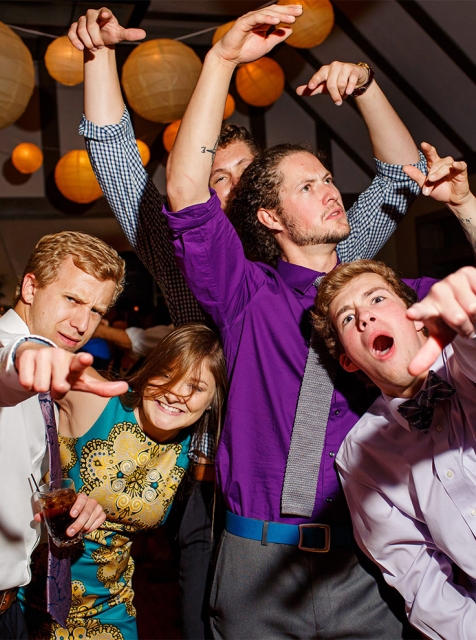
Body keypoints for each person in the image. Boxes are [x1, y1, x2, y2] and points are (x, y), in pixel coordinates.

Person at [162, 4, 436, 638]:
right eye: (307, 187)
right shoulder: (246, 295)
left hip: (371, 559)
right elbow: (186, 193)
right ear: (270, 218)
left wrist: (367, 88)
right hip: (258, 564)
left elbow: (406, 178)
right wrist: (222, 59)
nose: (330, 190)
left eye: (328, 179)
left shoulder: (386, 298)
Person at [68, 9, 259, 638]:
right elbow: (116, 159)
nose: (231, 189)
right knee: (199, 619)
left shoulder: (307, 258)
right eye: (215, 177)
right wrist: (99, 55)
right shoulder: (180, 252)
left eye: (245, 175)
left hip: (293, 483)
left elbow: (390, 190)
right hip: (200, 480)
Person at [311, 149, 476, 640]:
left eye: (378, 299)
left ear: (415, 316)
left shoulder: (466, 364)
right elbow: (421, 583)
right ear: (349, 359)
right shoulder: (361, 454)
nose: (364, 316)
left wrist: (465, 206)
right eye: (348, 318)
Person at [19, 322, 227, 640]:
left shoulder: (193, 450)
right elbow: (24, 351)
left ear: (212, 400)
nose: (176, 393)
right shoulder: (100, 400)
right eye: (166, 374)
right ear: (150, 370)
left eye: (196, 388)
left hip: (110, 610)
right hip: (29, 600)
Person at [0, 231, 127, 639]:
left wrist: (70, 504)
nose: (82, 324)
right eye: (72, 299)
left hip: (9, 607)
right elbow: (7, 362)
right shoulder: (16, 354)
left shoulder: (49, 380)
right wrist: (27, 356)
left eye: (96, 310)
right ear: (30, 288)